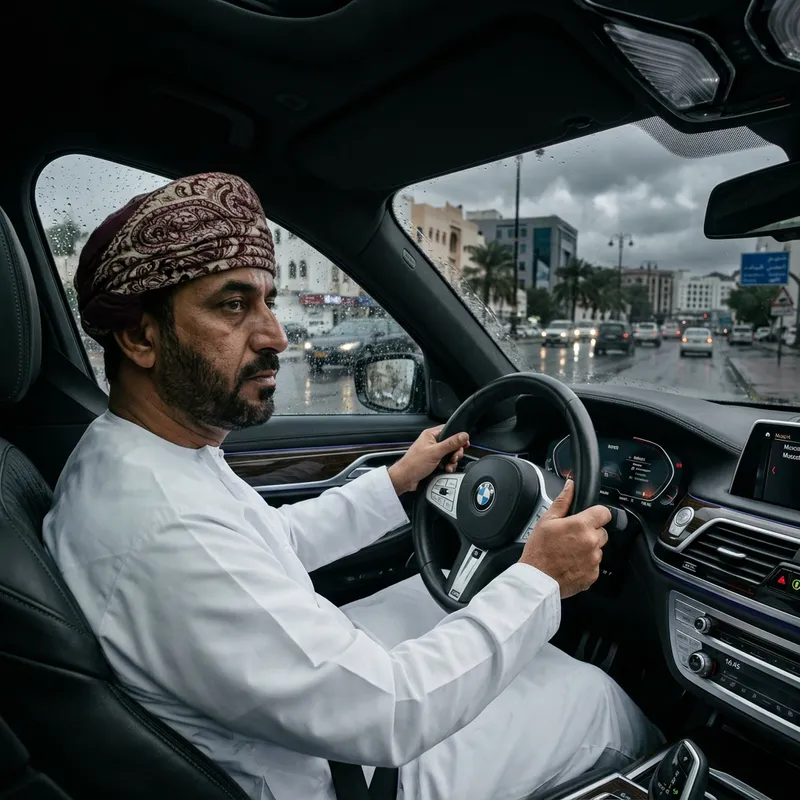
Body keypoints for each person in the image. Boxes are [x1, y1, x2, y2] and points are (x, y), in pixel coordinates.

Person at [43, 172, 662, 800]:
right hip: (335, 777)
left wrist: (393, 485)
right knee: (593, 699)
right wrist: (540, 580)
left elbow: (267, 540)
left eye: (267, 300)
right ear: (139, 336)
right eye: (232, 305)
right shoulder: (167, 528)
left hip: (285, 726)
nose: (276, 337)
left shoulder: (134, 454)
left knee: (444, 602)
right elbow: (394, 712)